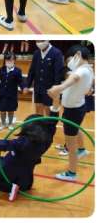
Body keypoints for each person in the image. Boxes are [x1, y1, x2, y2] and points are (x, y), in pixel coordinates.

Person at [0, 106, 60, 200]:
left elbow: (6, 144)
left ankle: (9, 187)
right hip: (26, 174)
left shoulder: (23, 142)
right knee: (19, 175)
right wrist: (55, 106)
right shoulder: (48, 137)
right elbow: (52, 123)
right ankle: (18, 186)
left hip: (10, 170)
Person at [48, 45, 93, 181]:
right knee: (76, 130)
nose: (69, 64)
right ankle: (82, 150)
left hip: (74, 110)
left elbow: (74, 78)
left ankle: (72, 173)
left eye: (69, 60)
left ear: (78, 55)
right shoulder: (89, 69)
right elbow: (84, 87)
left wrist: (59, 87)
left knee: (71, 145)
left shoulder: (82, 71)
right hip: (75, 108)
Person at [24, 40, 64, 116]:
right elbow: (32, 70)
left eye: (42, 41)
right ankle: (39, 123)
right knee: (38, 109)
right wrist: (27, 85)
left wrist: (56, 88)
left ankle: (48, 123)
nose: (39, 43)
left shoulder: (57, 53)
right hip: (38, 88)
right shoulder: (36, 53)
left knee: (48, 110)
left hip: (50, 89)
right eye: (37, 41)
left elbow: (58, 73)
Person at [0, 52, 24, 130]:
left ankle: (10, 124)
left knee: (11, 110)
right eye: (7, 60)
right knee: (2, 110)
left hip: (12, 94)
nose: (9, 62)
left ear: (14, 60)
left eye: (11, 60)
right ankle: (3, 124)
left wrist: (23, 88)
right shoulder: (2, 69)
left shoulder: (17, 71)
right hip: (2, 93)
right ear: (5, 60)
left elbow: (20, 81)